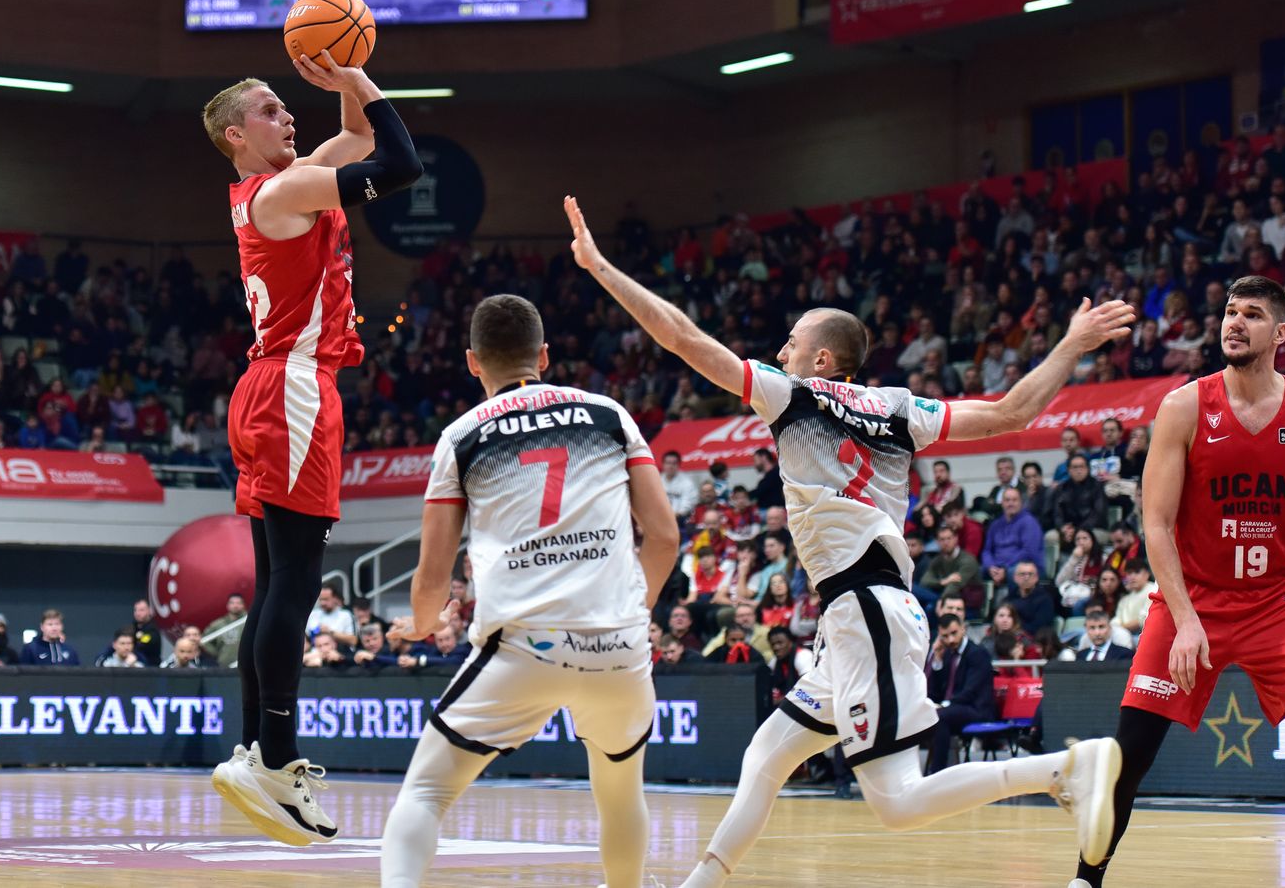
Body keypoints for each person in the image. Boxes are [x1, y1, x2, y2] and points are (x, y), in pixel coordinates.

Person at [563, 196, 1132, 886]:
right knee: (768, 755)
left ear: (821, 359)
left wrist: (600, 269)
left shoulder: (792, 395)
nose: (781, 351)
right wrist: (1072, 343)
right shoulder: (902, 408)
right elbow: (1013, 410)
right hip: (855, 617)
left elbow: (682, 337)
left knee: (895, 803)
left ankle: (1066, 769)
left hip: (866, 610)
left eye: (793, 342)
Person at [379, 294, 678, 888]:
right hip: (618, 645)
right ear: (544, 354)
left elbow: (433, 574)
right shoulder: (609, 413)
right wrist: (627, 612)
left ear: (472, 362)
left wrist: (418, 624)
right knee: (620, 793)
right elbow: (665, 537)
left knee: (426, 792)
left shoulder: (462, 436)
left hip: (524, 646)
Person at [203, 50, 423, 848]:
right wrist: (363, 78)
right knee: (294, 582)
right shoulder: (286, 189)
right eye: (269, 110)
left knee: (275, 584)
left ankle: (257, 750)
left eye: (284, 106)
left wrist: (345, 88)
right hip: (295, 388)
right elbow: (400, 165)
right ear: (236, 135)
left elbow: (357, 138)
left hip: (272, 385)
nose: (285, 114)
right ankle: (277, 755)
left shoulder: (281, 184)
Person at [1068, 276, 1285, 888]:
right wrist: (1185, 621)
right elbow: (1154, 525)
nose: (1235, 323)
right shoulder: (1184, 405)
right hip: (1192, 600)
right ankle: (1086, 878)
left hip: (1278, 603)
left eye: (1253, 315)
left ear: (1281, 334)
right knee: (1129, 759)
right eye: (1231, 312)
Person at [924, 613, 997, 773]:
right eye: (945, 636)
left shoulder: (978, 654)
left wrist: (943, 705)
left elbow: (970, 692)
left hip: (976, 710)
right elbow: (936, 691)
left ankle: (937, 772)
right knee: (927, 715)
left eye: (954, 633)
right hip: (955, 709)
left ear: (963, 629)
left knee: (939, 716)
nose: (950, 639)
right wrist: (936, 660)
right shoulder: (947, 653)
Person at [203, 593, 248, 668]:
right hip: (224, 665)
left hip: (246, 664)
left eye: (238, 603)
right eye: (232, 603)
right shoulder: (218, 624)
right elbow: (204, 639)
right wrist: (217, 653)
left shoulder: (250, 621)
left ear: (243, 605)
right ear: (228, 605)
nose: (235, 606)